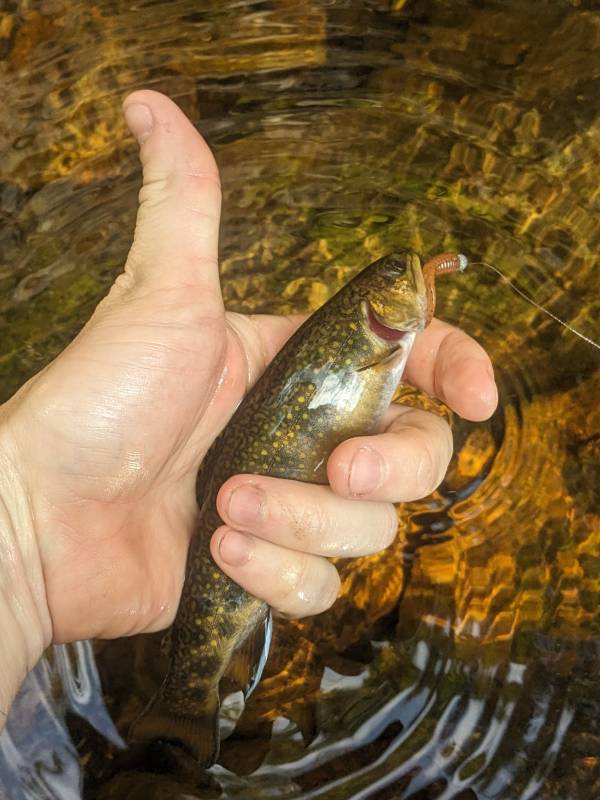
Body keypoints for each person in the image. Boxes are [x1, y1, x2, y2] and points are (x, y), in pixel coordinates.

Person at [0, 91, 497, 732]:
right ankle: (189, 703)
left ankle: (185, 707)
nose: (411, 278)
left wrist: (23, 531)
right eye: (396, 283)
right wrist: (21, 532)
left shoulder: (382, 347)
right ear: (379, 315)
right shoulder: (381, 350)